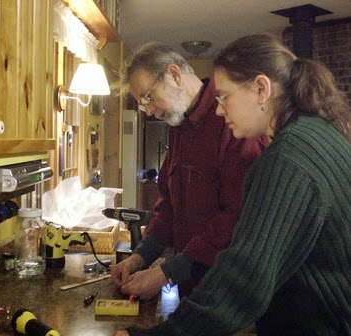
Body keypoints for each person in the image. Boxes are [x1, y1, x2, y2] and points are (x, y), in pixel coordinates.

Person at [114, 34, 351, 335]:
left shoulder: (286, 158)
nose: (219, 109)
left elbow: (245, 276)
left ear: (261, 89)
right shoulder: (318, 132)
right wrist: (143, 254)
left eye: (224, 97)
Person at [111, 42, 267, 300]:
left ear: (174, 75)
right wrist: (140, 256)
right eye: (142, 103)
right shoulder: (178, 124)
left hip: (228, 294)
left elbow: (237, 217)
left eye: (148, 96)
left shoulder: (235, 121)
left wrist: (166, 273)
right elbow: (168, 205)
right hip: (191, 288)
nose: (148, 110)